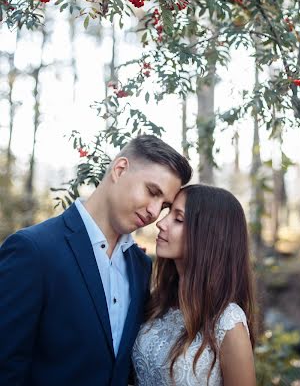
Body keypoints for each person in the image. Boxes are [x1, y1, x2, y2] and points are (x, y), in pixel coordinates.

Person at [0, 134, 192, 386]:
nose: (154, 212)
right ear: (120, 169)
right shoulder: (33, 250)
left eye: (164, 205)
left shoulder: (141, 266)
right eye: (151, 192)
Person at [132, 184, 257, 386]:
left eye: (178, 219)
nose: (161, 223)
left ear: (209, 236)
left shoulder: (228, 322)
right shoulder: (158, 302)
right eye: (168, 213)